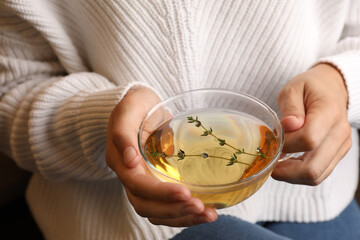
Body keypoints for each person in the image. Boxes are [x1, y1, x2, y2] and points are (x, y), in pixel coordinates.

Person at [0, 0, 359, 239]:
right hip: (118, 225)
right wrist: (103, 121)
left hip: (313, 204)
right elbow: (11, 90)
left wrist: (341, 81)